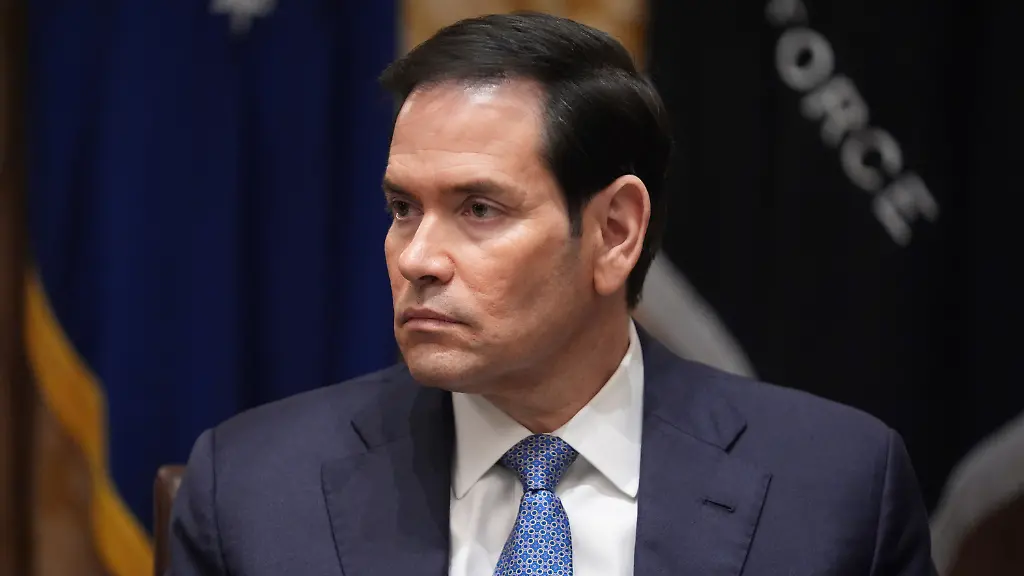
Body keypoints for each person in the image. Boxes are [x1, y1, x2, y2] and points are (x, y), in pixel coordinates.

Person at [169, 12, 936, 576]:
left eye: (479, 209)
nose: (418, 257)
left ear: (614, 232)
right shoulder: (251, 494)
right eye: (404, 208)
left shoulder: (837, 491)